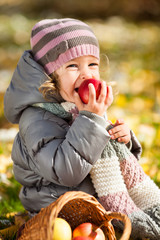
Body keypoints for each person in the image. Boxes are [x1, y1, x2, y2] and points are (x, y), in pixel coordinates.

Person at [3, 18, 160, 239]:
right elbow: (65, 172)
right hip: (59, 208)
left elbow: (111, 159)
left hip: (94, 201)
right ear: (50, 76)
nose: (86, 74)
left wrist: (123, 139)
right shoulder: (36, 119)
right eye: (73, 66)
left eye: (92, 64)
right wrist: (92, 120)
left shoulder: (83, 107)